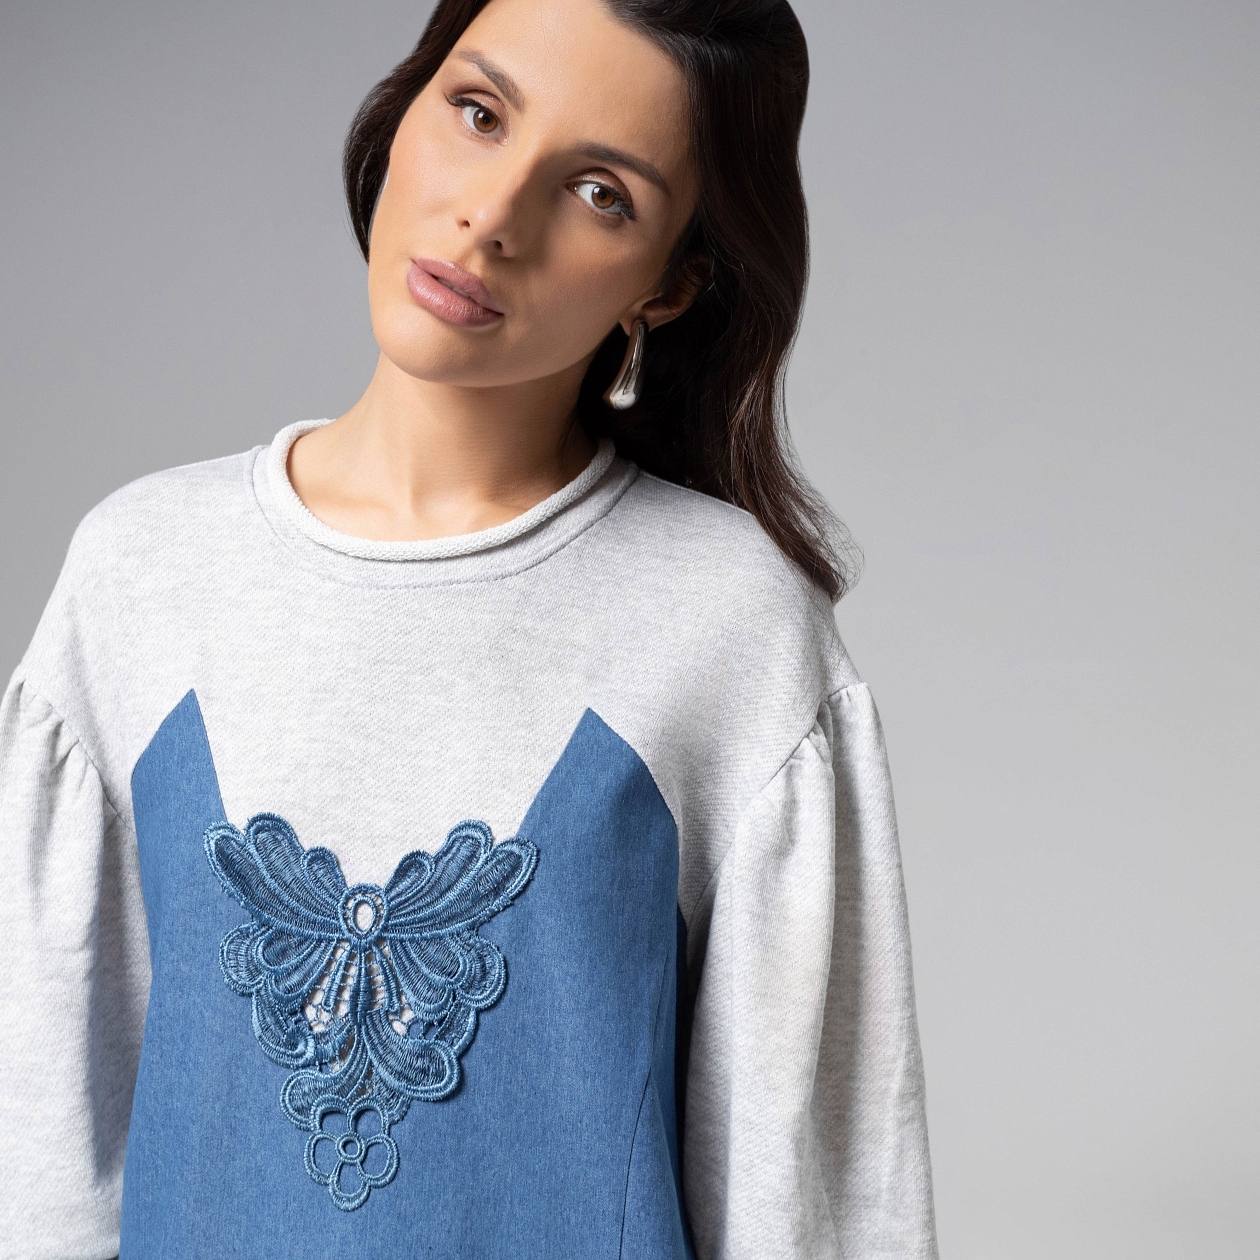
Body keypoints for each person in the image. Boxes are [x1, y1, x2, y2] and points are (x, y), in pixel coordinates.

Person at [0, 0, 938, 1256]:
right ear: (404, 111)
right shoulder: (142, 573)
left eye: (600, 193)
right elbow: (41, 1156)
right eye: (480, 113)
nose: (492, 218)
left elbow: (819, 1200)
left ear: (671, 283)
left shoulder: (732, 628)